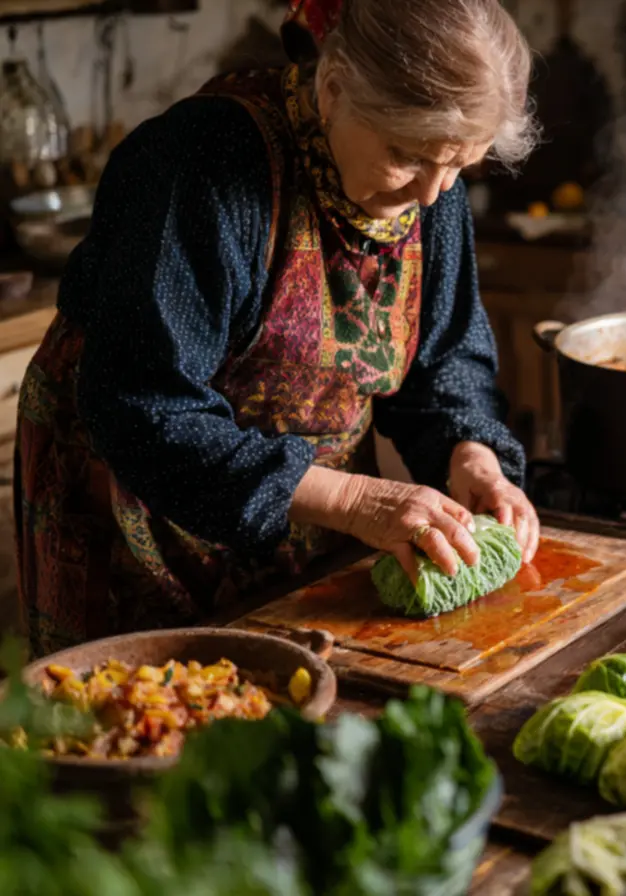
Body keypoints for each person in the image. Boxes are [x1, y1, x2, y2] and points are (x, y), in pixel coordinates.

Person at [15, 0, 540, 655]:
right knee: (149, 726)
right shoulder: (199, 165)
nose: (433, 194)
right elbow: (143, 402)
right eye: (406, 155)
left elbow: (443, 360)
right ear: (334, 89)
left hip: (310, 513)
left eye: (461, 164)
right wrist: (349, 498)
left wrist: (472, 455)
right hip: (139, 508)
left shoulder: (428, 188)